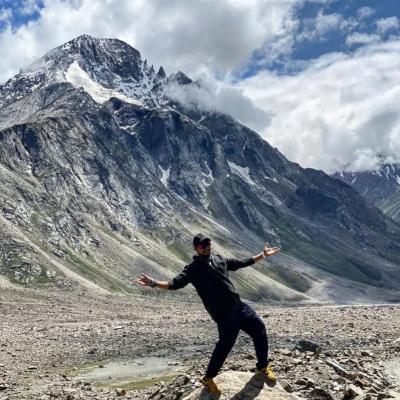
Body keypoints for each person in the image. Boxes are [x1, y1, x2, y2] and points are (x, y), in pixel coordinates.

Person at [133, 233, 280, 394]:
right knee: (225, 346)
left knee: (259, 329)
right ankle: (208, 378)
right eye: (203, 246)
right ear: (196, 248)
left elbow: (240, 263)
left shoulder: (219, 259)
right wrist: (153, 283)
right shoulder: (193, 269)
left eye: (208, 244)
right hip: (223, 315)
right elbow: (174, 284)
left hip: (239, 307)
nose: (207, 248)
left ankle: (262, 367)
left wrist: (262, 255)